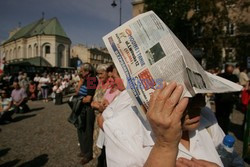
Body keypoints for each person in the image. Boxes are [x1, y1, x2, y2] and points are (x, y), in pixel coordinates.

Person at [75, 63, 98, 165]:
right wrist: (80, 81)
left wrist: (79, 100)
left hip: (88, 109)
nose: (80, 72)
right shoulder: (84, 80)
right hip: (82, 107)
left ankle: (88, 154)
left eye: (82, 71)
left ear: (87, 72)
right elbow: (77, 92)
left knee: (88, 131)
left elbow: (89, 99)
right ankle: (83, 150)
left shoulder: (92, 80)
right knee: (80, 128)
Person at [215, 64, 239, 134]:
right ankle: (223, 132)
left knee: (223, 117)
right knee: (223, 117)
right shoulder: (234, 77)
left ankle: (221, 132)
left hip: (224, 101)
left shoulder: (220, 76)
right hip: (224, 101)